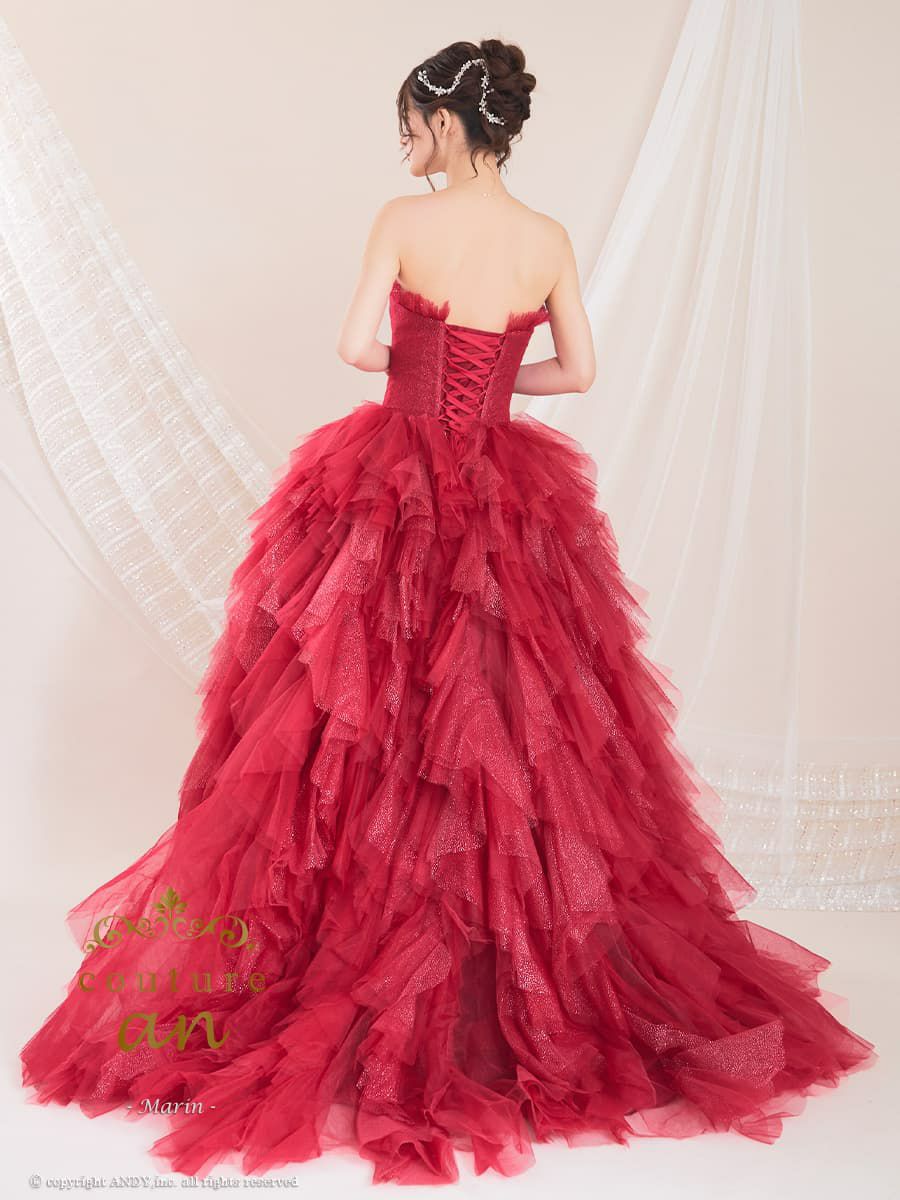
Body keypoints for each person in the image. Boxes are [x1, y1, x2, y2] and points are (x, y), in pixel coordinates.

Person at [19, 38, 876, 1187]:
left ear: (444, 121)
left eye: (412, 123)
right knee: (514, 720)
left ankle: (366, 944)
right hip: (505, 488)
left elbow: (353, 347)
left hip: (393, 478)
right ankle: (497, 972)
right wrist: (492, 372)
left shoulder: (403, 220)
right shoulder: (547, 237)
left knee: (356, 710)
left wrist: (422, 367)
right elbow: (576, 373)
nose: (406, 144)